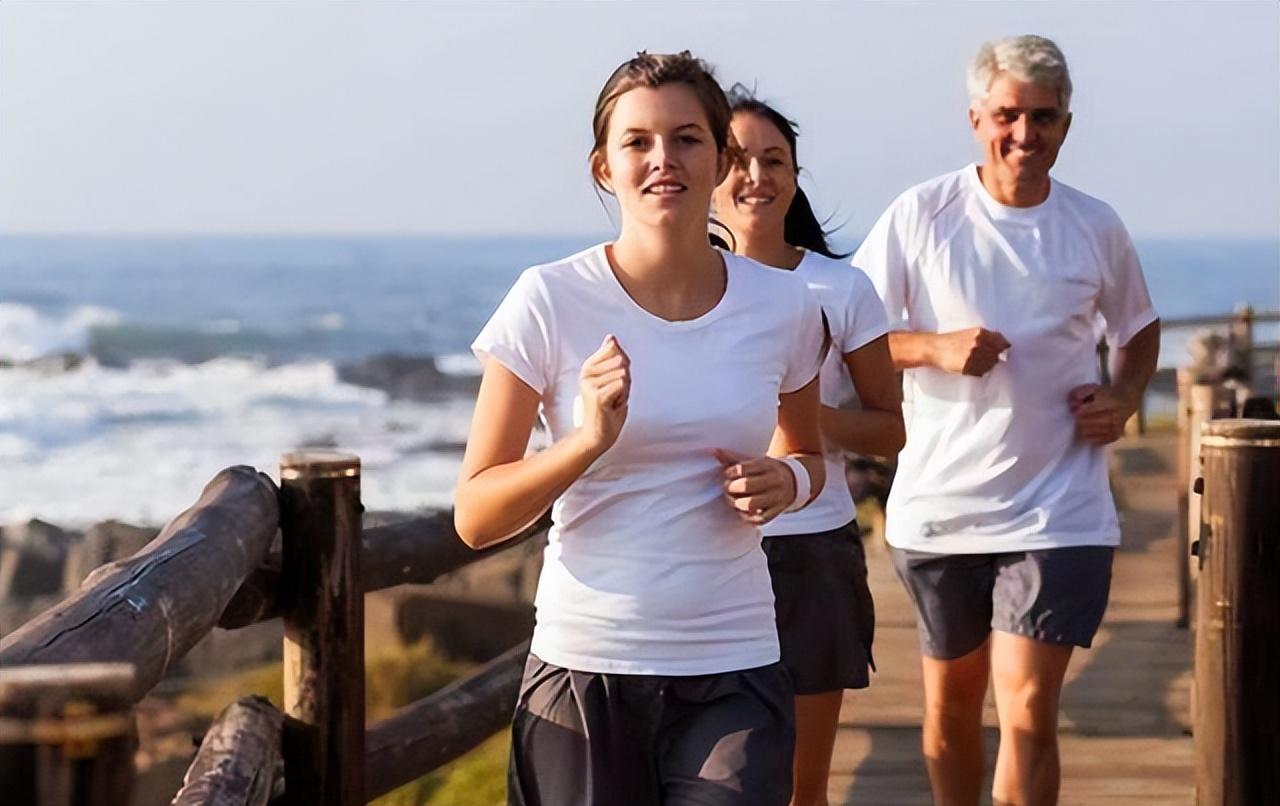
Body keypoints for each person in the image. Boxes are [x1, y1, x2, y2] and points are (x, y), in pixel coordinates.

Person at [454, 51, 828, 806]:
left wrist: (786, 481)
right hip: (586, 664)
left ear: (722, 158)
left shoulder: (783, 307)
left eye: (688, 139)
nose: (665, 160)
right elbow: (475, 514)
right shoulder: (548, 301)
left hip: (735, 660)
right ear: (604, 167)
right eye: (638, 142)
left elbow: (809, 452)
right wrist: (586, 442)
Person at [853, 35, 1161, 806]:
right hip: (940, 509)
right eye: (1008, 116)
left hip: (1062, 509)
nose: (1025, 135)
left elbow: (1140, 327)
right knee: (952, 712)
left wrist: (1123, 398)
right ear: (975, 118)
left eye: (1044, 118)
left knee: (1026, 710)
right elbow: (851, 335)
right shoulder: (922, 215)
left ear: (1066, 124)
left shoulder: (1094, 225)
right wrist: (933, 346)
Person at [710, 88, 904, 806]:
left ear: (795, 176)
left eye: (774, 160)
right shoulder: (678, 288)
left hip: (813, 554)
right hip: (706, 555)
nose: (756, 176)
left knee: (801, 788)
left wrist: (805, 417)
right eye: (736, 160)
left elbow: (891, 429)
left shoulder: (841, 288)